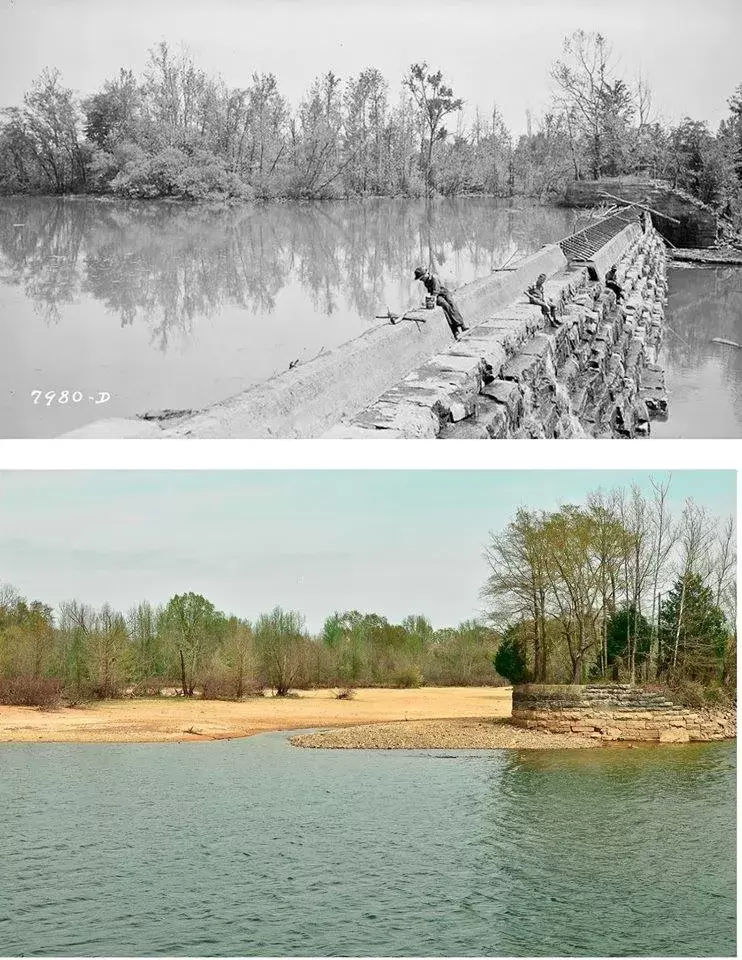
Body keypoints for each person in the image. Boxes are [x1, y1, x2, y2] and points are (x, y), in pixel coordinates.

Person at [413, 266, 468, 339]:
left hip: (443, 293)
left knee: (452, 304)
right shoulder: (425, 281)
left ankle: (461, 324)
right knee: (445, 306)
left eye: (422, 278)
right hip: (437, 296)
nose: (421, 280)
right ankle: (455, 330)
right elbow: (432, 292)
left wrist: (431, 299)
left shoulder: (434, 278)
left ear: (426, 274)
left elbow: (436, 290)